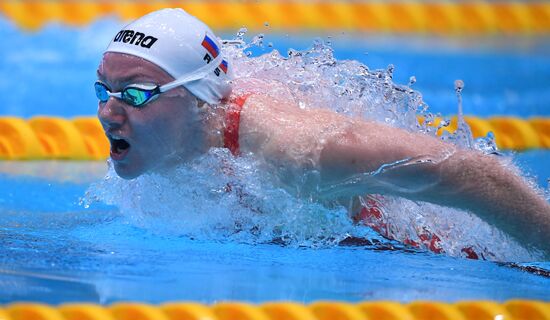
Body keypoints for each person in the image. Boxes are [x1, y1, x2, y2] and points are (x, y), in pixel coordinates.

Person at [95, 8, 550, 258]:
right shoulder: (167, 132)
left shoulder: (297, 153)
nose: (108, 112)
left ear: (198, 100)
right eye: (103, 90)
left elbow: (474, 174)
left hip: (412, 256)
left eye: (134, 95)